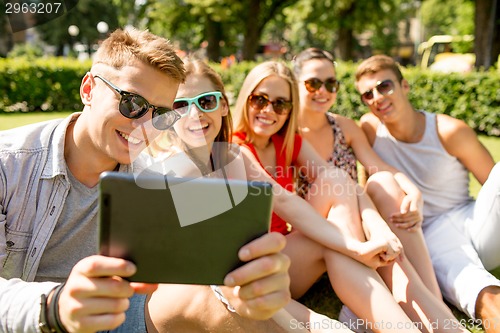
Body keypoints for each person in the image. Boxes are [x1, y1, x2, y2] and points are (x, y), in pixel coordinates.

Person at [0, 28, 292, 333]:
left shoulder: (154, 178)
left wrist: (253, 281)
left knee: (215, 304)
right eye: (132, 103)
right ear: (88, 89)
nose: (144, 125)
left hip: (116, 315)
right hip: (34, 319)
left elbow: (202, 262)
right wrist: (55, 307)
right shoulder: (9, 165)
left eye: (161, 114)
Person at [158, 57, 470, 332]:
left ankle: (415, 321)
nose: (194, 113)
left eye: (206, 102)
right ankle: (417, 316)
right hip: (238, 284)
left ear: (222, 105)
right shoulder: (177, 166)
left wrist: (365, 241)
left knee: (342, 228)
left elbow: (307, 195)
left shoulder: (236, 156)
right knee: (337, 247)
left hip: (273, 262)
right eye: (180, 105)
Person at [354, 54, 500, 333]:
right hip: (427, 233)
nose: (377, 98)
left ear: (404, 86)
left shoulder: (449, 130)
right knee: (475, 286)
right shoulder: (370, 129)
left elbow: (492, 185)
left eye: (384, 86)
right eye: (367, 94)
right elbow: (369, 184)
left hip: (473, 220)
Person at [292, 47, 440, 298]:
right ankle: (418, 300)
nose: (323, 91)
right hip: (316, 236)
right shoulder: (287, 133)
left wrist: (414, 191)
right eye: (313, 83)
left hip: (358, 225)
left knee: (384, 181)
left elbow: (379, 167)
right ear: (295, 84)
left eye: (331, 83)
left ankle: (431, 294)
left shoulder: (344, 126)